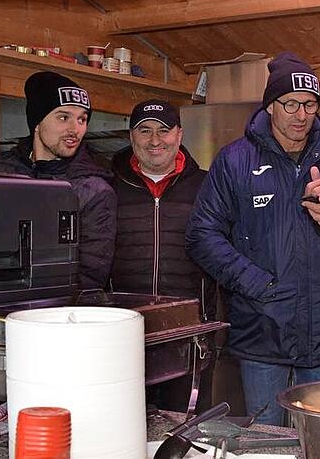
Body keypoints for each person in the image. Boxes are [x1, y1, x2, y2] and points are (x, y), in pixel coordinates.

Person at [186, 52, 320, 425]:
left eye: (310, 104)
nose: (301, 115)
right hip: (262, 330)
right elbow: (202, 234)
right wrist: (254, 282)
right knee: (265, 440)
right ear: (270, 106)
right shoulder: (235, 160)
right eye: (290, 104)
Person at [110, 100, 216, 412]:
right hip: (122, 336)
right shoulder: (108, 188)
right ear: (131, 136)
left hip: (189, 337)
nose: (155, 140)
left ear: (179, 134)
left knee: (184, 427)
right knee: (124, 425)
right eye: (145, 131)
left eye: (164, 130)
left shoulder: (209, 186)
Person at [0, 71, 115, 289]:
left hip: (60, 305)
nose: (75, 129)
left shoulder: (94, 189)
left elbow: (91, 277)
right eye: (63, 117)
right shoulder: (1, 170)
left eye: (82, 119)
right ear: (37, 122)